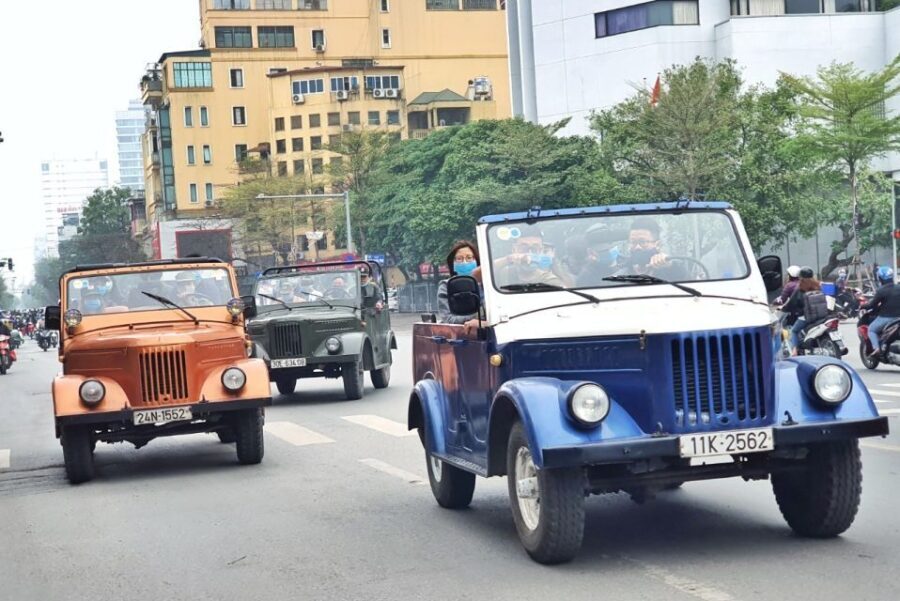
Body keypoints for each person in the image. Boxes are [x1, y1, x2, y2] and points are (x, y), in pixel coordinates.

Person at [618, 216, 686, 280]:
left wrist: (670, 266)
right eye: (633, 242)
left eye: (643, 242)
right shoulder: (620, 277)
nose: (637, 247)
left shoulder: (672, 272)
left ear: (658, 245)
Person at [781, 267, 827, 356]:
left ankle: (794, 350)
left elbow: (792, 303)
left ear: (801, 277)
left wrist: (784, 309)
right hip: (821, 315)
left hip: (806, 317)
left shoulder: (800, 288)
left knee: (794, 331)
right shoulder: (818, 286)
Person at [493, 231, 563, 288]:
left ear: (541, 251)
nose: (529, 254)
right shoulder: (504, 273)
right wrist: (508, 259)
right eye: (523, 248)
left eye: (535, 248)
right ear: (514, 249)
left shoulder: (550, 280)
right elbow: (486, 271)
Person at [437, 240, 480, 325]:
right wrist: (478, 317)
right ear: (453, 263)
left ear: (476, 260)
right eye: (459, 259)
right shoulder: (446, 286)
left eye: (469, 258)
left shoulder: (487, 285)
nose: (465, 262)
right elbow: (448, 319)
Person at [861, 266, 900, 356]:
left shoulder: (881, 290)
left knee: (871, 329)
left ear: (880, 278)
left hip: (887, 318)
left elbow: (872, 305)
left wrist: (863, 306)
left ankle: (877, 348)